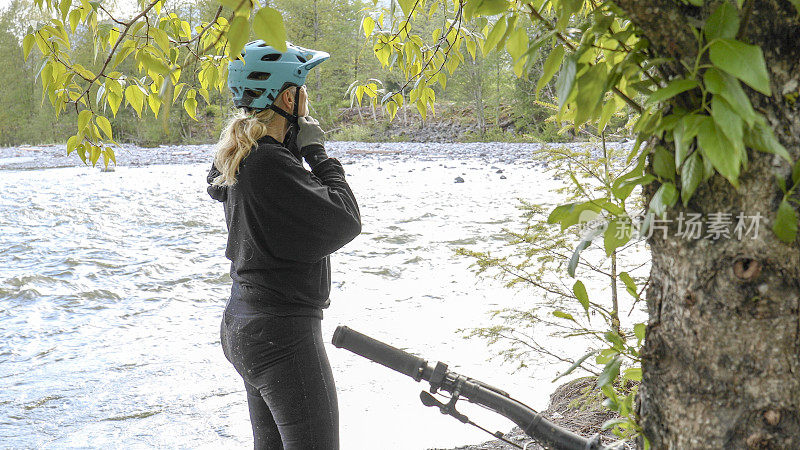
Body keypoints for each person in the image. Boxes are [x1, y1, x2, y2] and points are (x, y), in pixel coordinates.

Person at [206, 40, 361, 450]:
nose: (308, 103)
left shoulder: (247, 156)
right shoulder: (271, 163)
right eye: (304, 92)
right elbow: (345, 219)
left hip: (245, 324)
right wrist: (317, 152)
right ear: (289, 97)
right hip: (282, 334)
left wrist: (292, 147)